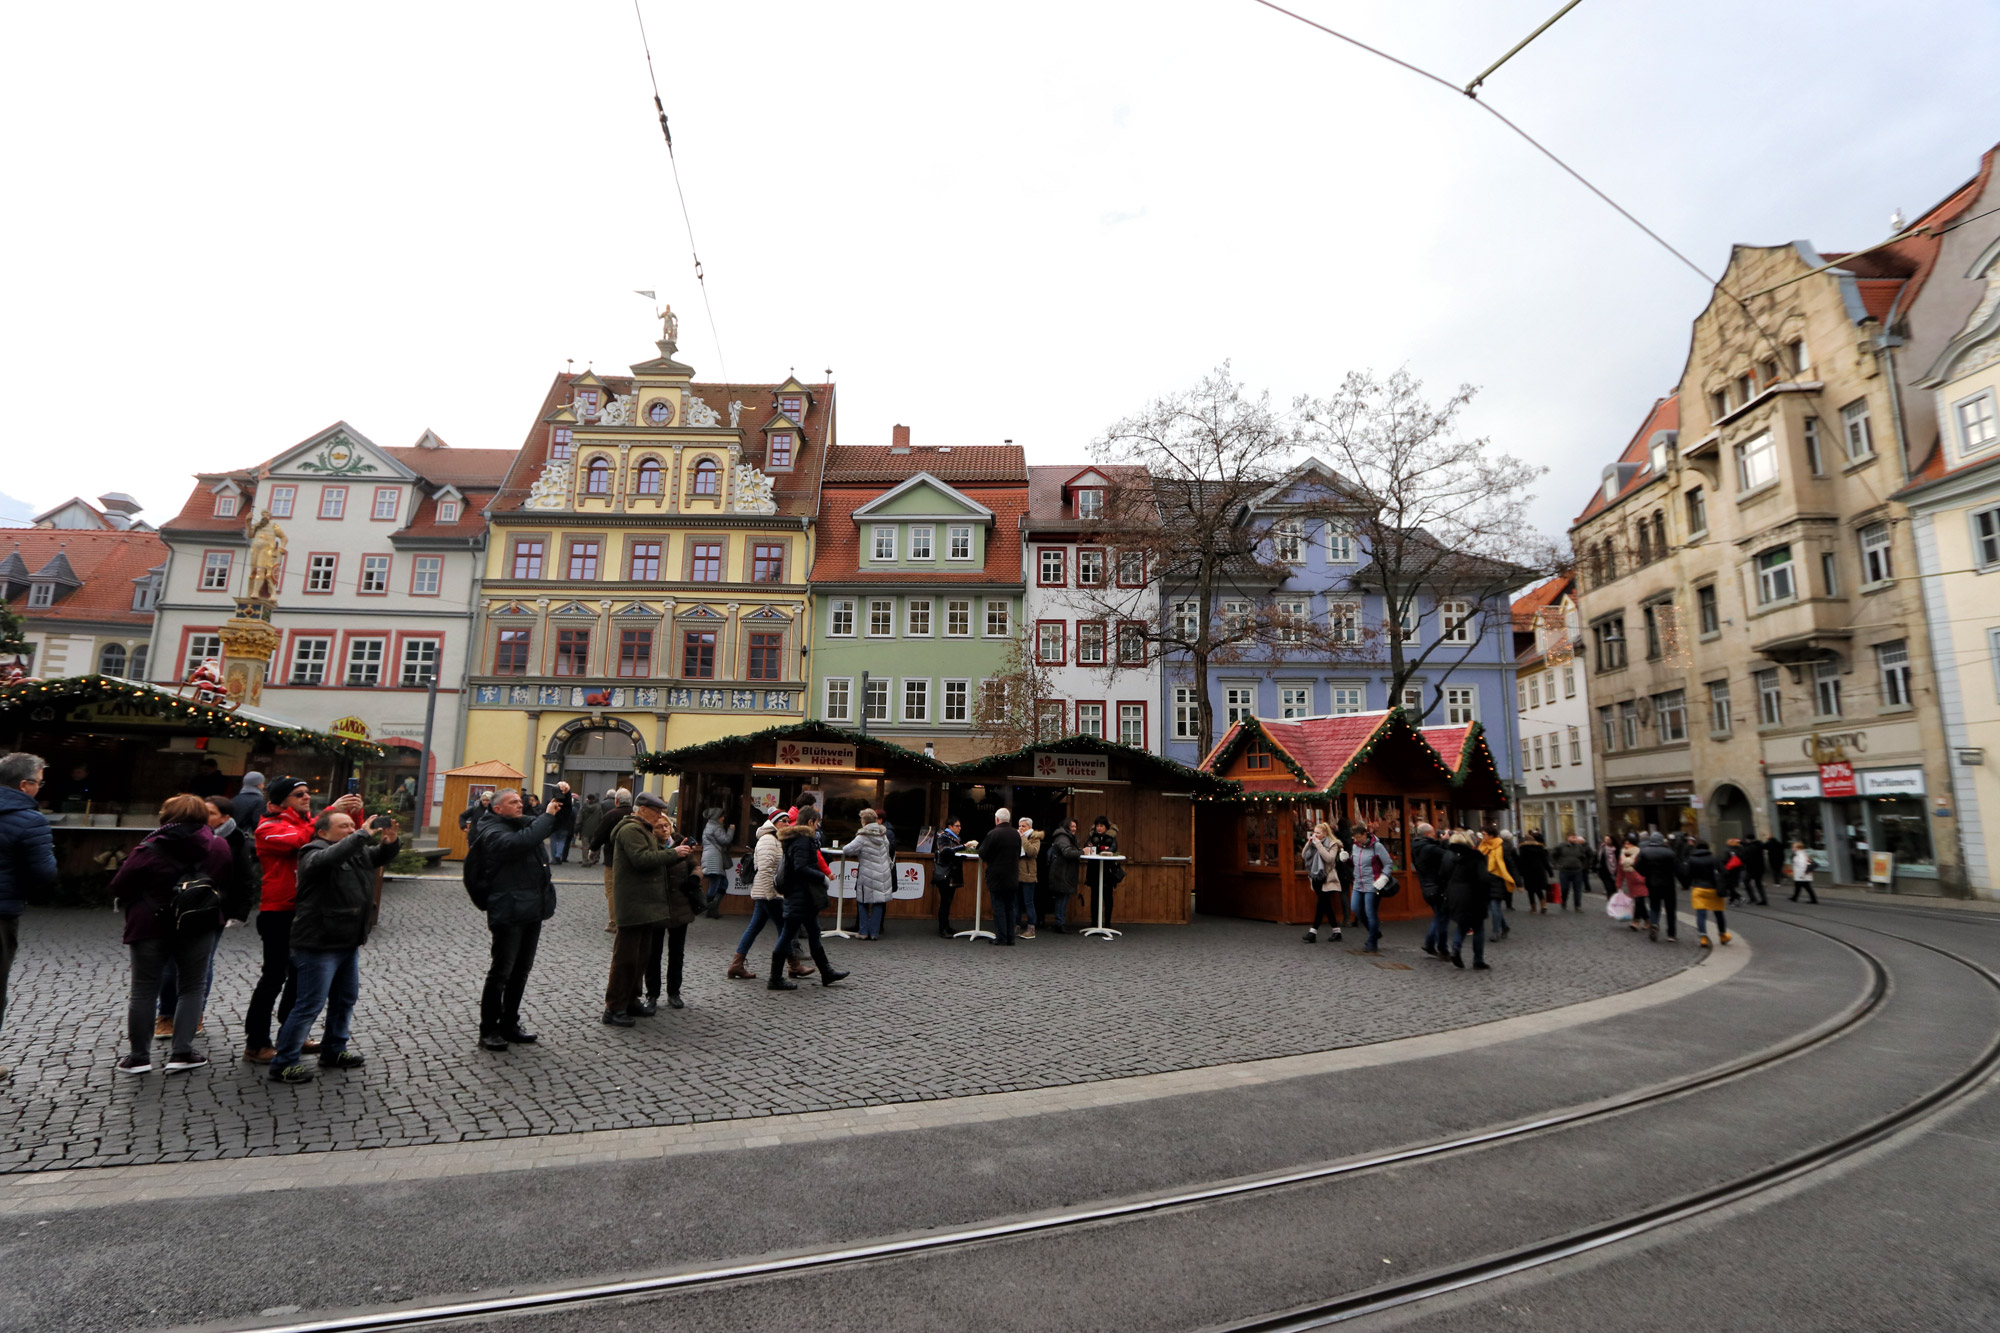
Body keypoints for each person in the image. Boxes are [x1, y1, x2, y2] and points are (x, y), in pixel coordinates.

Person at [269, 805, 399, 1083]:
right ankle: (284, 1062)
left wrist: (389, 842)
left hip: (347, 941)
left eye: (353, 826)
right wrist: (362, 836)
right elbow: (329, 858)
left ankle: (334, 1049)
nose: (352, 830)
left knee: (344, 1000)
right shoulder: (312, 852)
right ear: (323, 831)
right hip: (318, 942)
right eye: (345, 826)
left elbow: (376, 857)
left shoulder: (355, 850)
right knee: (309, 1005)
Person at [112, 795, 235, 1074]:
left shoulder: (149, 846)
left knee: (144, 989)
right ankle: (182, 1052)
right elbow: (225, 880)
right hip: (197, 923)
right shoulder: (218, 845)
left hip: (149, 924)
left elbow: (119, 885)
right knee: (192, 987)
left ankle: (138, 1057)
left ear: (167, 816)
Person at [246, 779, 360, 1064]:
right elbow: (301, 841)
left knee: (300, 978)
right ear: (278, 802)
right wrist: (332, 812)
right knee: (273, 977)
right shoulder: (267, 827)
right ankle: (256, 1043)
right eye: (299, 794)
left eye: (308, 793)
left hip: (307, 911)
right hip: (278, 911)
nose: (307, 797)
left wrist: (354, 815)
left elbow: (340, 841)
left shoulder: (310, 821)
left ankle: (291, 1036)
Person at [157, 794, 260, 1034]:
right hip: (177, 907)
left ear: (225, 817)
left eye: (211, 813)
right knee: (171, 964)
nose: (204, 817)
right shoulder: (180, 835)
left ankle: (195, 1013)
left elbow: (243, 878)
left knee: (202, 963)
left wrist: (240, 911)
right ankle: (166, 1014)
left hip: (212, 909)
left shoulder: (235, 839)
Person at [470, 788, 561, 1050]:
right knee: (501, 972)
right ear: (497, 808)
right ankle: (488, 1029)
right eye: (513, 802)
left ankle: (510, 1023)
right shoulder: (491, 829)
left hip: (532, 907)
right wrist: (546, 816)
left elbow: (546, 824)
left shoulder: (519, 822)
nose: (519, 805)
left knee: (521, 971)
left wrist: (560, 800)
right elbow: (520, 843)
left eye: (520, 801)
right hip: (508, 909)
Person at [605, 792, 698, 1024]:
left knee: (640, 958)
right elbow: (642, 859)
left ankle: (632, 1001)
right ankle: (614, 1008)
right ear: (642, 809)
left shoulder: (642, 829)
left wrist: (677, 855)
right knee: (625, 958)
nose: (659, 817)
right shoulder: (631, 830)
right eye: (656, 811)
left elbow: (654, 858)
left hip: (645, 905)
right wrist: (673, 853)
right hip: (634, 904)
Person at [0, 753, 55, 1083]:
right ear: (24, 785)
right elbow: (44, 873)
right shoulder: (29, 819)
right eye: (38, 782)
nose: (39, 788)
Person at [768, 808, 848, 989]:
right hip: (800, 896)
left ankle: (826, 972)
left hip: (802, 897)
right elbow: (801, 868)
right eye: (817, 822)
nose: (818, 826)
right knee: (787, 935)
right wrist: (822, 877)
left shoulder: (796, 839)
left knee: (813, 932)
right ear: (811, 822)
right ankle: (774, 978)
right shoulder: (803, 840)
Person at [732, 810, 810, 979]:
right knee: (784, 929)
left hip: (768, 892)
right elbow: (766, 870)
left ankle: (737, 964)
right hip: (768, 893)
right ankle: (794, 965)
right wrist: (770, 893)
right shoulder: (768, 840)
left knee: (756, 927)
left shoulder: (776, 839)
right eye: (783, 820)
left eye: (789, 821)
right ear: (773, 822)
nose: (787, 823)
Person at [1441, 830, 1491, 970]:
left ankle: (1456, 948)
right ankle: (1478, 959)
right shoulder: (1476, 857)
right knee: (1478, 927)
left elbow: (1443, 874)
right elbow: (1483, 878)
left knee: (1462, 924)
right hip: (1473, 894)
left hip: (1455, 893)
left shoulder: (1451, 857)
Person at [844, 808, 895, 939]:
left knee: (863, 901)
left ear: (864, 822)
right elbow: (888, 850)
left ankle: (863, 932)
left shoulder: (862, 836)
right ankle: (874, 933)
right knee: (879, 902)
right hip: (883, 873)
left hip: (867, 874)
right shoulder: (883, 835)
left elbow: (847, 849)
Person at [591, 788, 634, 931]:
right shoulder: (635, 814)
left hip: (613, 857)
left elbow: (600, 834)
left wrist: (593, 848)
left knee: (612, 890)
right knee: (629, 888)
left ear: (616, 801)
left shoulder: (611, 815)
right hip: (633, 858)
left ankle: (614, 921)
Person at [980, 808, 1023, 946]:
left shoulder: (993, 834)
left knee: (998, 907)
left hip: (997, 876)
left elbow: (983, 853)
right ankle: (1011, 938)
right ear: (1009, 820)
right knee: (1010, 907)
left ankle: (1001, 937)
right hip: (1013, 875)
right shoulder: (1016, 834)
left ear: (996, 819)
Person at [1349, 826, 1394, 954]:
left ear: (1365, 834)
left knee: (1370, 912)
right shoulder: (1355, 846)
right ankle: (1374, 932)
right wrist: (1346, 859)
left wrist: (1384, 877)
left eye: (1358, 837)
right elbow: (1355, 863)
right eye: (1354, 838)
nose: (1357, 840)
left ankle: (1372, 941)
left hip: (1373, 885)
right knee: (1356, 908)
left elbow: (1388, 863)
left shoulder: (1377, 846)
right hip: (1358, 884)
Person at [1634, 831, 1681, 941]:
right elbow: (1678, 869)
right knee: (1670, 909)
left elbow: (1637, 866)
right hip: (1668, 884)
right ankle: (1671, 934)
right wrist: (1685, 881)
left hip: (1652, 883)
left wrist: (1646, 874)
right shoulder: (1670, 853)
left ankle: (1654, 923)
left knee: (1654, 907)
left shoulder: (1644, 852)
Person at [1685, 838, 1731, 947]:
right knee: (1718, 913)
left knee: (1701, 914)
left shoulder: (1691, 859)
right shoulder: (1714, 859)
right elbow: (1724, 872)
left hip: (1698, 889)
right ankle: (1723, 935)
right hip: (1713, 889)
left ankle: (1703, 937)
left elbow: (1687, 875)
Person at [1302, 821, 1343, 944]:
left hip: (1328, 880)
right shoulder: (1314, 844)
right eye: (1314, 832)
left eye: (1318, 833)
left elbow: (1329, 859)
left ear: (1324, 834)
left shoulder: (1333, 844)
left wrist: (1319, 845)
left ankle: (1313, 932)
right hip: (1316, 879)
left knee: (1321, 905)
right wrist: (1308, 844)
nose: (1315, 834)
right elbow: (1304, 856)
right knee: (1326, 906)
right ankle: (1337, 932)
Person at [1411, 821, 1448, 955]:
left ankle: (1430, 944)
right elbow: (1447, 856)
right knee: (1442, 917)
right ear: (1428, 834)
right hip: (1437, 886)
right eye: (1433, 833)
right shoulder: (1430, 849)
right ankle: (1441, 948)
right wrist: (1446, 841)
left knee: (1439, 916)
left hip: (1426, 886)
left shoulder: (1416, 845)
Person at [1042, 817, 1083, 934]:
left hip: (1064, 871)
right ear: (1066, 827)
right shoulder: (1063, 837)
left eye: (1075, 826)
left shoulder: (1066, 836)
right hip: (1061, 872)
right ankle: (1059, 923)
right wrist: (1082, 852)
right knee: (1062, 897)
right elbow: (1067, 852)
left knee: (1063, 897)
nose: (1074, 829)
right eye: (1072, 826)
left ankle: (1060, 922)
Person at [1084, 816, 1123, 927]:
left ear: (1106, 827)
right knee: (1094, 897)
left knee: (1108, 897)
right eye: (1097, 826)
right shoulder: (1092, 836)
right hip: (1094, 870)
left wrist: (1105, 851)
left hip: (1107, 871)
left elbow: (1114, 848)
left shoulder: (1111, 838)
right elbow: (1086, 846)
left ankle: (1107, 923)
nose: (1099, 828)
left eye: (1101, 826)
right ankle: (1094, 923)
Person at [1479, 825, 1514, 939]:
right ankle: (1504, 926)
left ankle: (1496, 932)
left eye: (1484, 834)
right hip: (1485, 880)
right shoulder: (1482, 846)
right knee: (1494, 907)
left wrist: (1518, 881)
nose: (1482, 836)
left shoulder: (1501, 846)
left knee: (1494, 906)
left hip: (1497, 879)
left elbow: (1510, 864)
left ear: (1491, 835)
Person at [931, 817, 964, 937]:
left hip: (952, 874)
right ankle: (942, 928)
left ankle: (946, 926)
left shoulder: (955, 838)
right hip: (945, 874)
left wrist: (964, 853)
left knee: (948, 901)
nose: (959, 828)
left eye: (960, 826)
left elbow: (954, 854)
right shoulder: (943, 836)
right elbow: (945, 852)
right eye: (957, 826)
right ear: (949, 827)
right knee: (945, 901)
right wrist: (963, 847)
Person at [700, 806, 735, 919]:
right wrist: (731, 829)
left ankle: (711, 909)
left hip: (710, 856)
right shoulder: (716, 827)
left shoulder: (709, 825)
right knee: (716, 884)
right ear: (717, 817)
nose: (724, 818)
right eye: (722, 816)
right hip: (714, 857)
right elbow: (725, 840)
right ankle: (708, 908)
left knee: (721, 884)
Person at [1016, 816, 1043, 940]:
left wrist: (1022, 838)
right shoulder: (1015, 836)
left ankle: (1031, 928)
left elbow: (1032, 852)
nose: (1021, 828)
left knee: (1028, 902)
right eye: (1020, 825)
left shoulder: (1035, 837)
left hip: (1028, 874)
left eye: (1024, 826)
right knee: (1016, 902)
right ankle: (1016, 926)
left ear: (1030, 827)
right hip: (1016, 874)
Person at [1551, 833, 1589, 912]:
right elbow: (1553, 855)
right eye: (1572, 837)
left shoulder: (1579, 847)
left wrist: (1583, 866)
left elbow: (1585, 857)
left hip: (1577, 870)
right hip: (1565, 870)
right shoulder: (1561, 846)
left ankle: (1577, 906)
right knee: (1565, 888)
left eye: (1575, 837)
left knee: (1577, 889)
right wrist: (1556, 864)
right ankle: (1564, 901)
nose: (1574, 839)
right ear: (1568, 838)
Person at [1518, 831, 1552, 914]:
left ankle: (1533, 907)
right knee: (1538, 889)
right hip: (1539, 870)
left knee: (1530, 890)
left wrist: (1520, 872)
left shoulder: (1523, 848)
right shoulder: (1539, 847)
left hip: (1528, 871)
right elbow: (1545, 860)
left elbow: (1521, 861)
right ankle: (1543, 905)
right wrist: (1550, 871)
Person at [545, 782, 575, 864]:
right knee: (562, 840)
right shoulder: (568, 805)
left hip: (554, 824)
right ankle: (559, 854)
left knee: (553, 841)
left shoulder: (554, 803)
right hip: (565, 824)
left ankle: (554, 858)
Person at [231, 770, 268, 835]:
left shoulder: (235, 799)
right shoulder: (259, 801)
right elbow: (257, 823)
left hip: (232, 835)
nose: (263, 786)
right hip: (246, 838)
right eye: (263, 783)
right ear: (258, 784)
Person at [575, 793, 605, 867]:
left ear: (587, 799)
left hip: (584, 830)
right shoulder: (598, 807)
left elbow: (579, 820)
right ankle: (592, 859)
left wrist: (576, 830)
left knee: (585, 846)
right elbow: (601, 819)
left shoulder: (583, 807)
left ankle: (585, 861)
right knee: (594, 846)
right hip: (595, 830)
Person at [1737, 832, 1766, 903]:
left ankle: (1753, 898)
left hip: (1751, 868)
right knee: (1758, 883)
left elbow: (1746, 856)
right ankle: (1763, 900)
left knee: (1746, 881)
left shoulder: (1750, 847)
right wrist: (1741, 842)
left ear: (1748, 839)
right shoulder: (1758, 844)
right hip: (1760, 867)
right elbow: (1748, 845)